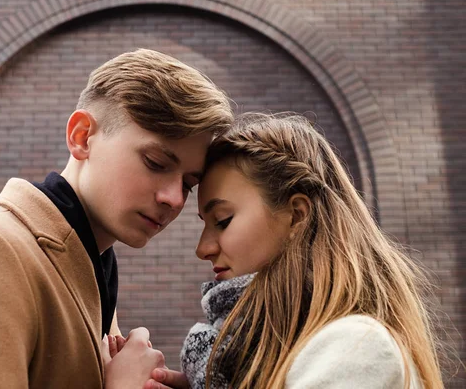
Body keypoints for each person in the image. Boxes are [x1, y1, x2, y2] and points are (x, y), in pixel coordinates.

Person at [0, 49, 233, 388]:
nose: (172, 198)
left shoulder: (90, 276)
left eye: (188, 183)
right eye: (155, 163)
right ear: (81, 137)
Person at [151, 112, 445, 388]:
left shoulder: (355, 346)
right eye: (205, 224)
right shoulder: (279, 352)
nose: (203, 249)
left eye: (223, 221)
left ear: (297, 215)